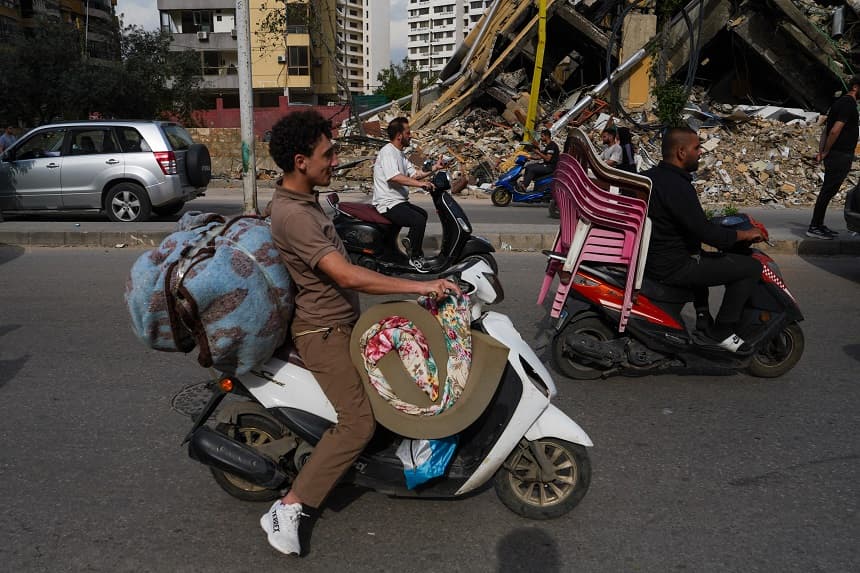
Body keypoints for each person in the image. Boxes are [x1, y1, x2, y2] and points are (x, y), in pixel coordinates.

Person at [265, 110, 459, 557]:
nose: (335, 161)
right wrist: (421, 286)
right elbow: (346, 276)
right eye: (328, 154)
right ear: (300, 161)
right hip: (322, 332)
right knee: (356, 424)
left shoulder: (306, 202)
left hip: (342, 322)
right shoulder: (295, 215)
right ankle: (289, 506)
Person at [643, 127, 764, 352]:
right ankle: (722, 331)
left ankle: (703, 318)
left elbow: (690, 223)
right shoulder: (677, 186)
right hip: (673, 266)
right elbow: (706, 233)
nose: (700, 152)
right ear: (681, 152)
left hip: (656, 259)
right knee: (750, 268)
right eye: (696, 147)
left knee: (703, 256)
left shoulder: (652, 177)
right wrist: (744, 234)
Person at [372, 116, 445, 271]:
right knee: (418, 220)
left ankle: (408, 243)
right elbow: (394, 177)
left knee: (422, 214)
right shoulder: (388, 152)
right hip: (388, 203)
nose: (410, 136)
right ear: (399, 135)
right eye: (408, 133)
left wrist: (435, 168)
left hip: (398, 201)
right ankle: (415, 256)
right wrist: (421, 184)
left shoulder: (400, 154)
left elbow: (415, 174)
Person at [807, 75, 860, 239]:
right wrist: (825, 152)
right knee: (828, 191)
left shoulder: (838, 103)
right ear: (855, 87)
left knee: (828, 190)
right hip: (840, 155)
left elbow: (826, 131)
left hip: (835, 154)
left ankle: (818, 224)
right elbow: (834, 131)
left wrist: (822, 152)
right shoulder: (848, 104)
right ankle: (814, 226)